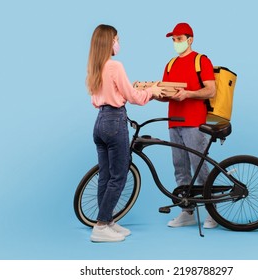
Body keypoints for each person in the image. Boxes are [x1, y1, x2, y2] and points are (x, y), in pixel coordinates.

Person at [86, 24, 164, 242]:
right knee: (119, 175)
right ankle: (101, 227)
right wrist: (152, 91)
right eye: (117, 39)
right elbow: (134, 97)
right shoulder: (115, 66)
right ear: (109, 42)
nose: (118, 43)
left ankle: (107, 220)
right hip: (114, 122)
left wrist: (124, 92)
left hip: (100, 121)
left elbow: (96, 100)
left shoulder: (94, 67)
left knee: (106, 175)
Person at [161, 23, 218, 229]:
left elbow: (210, 90)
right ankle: (187, 211)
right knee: (180, 167)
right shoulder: (169, 64)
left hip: (194, 121)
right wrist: (154, 93)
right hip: (173, 122)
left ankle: (213, 212)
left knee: (200, 166)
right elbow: (166, 95)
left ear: (190, 39)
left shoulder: (200, 60)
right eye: (174, 39)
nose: (176, 43)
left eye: (179, 38)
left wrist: (189, 94)